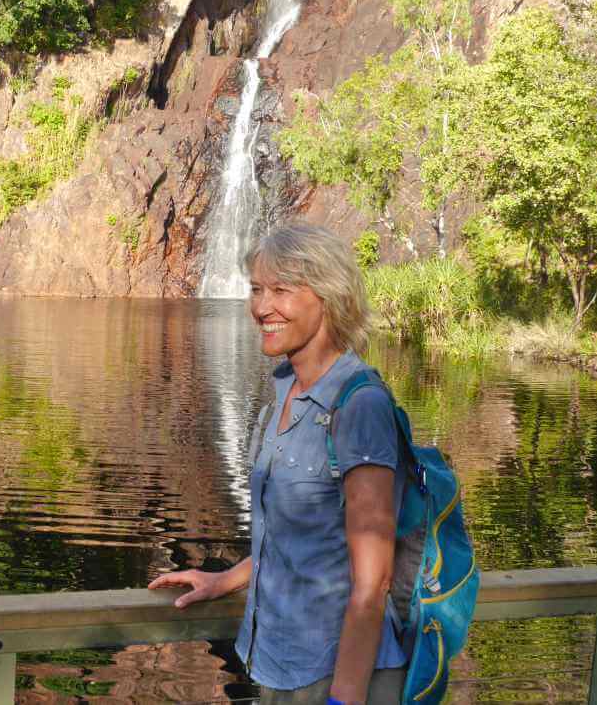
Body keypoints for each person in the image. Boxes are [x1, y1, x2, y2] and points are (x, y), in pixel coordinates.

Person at [149, 223, 408, 705]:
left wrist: (343, 699)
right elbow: (300, 536)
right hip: (277, 662)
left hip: (335, 674)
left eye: (281, 290)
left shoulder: (359, 405)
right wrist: (225, 580)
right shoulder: (285, 390)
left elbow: (374, 581)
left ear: (328, 296)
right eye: (255, 289)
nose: (262, 307)